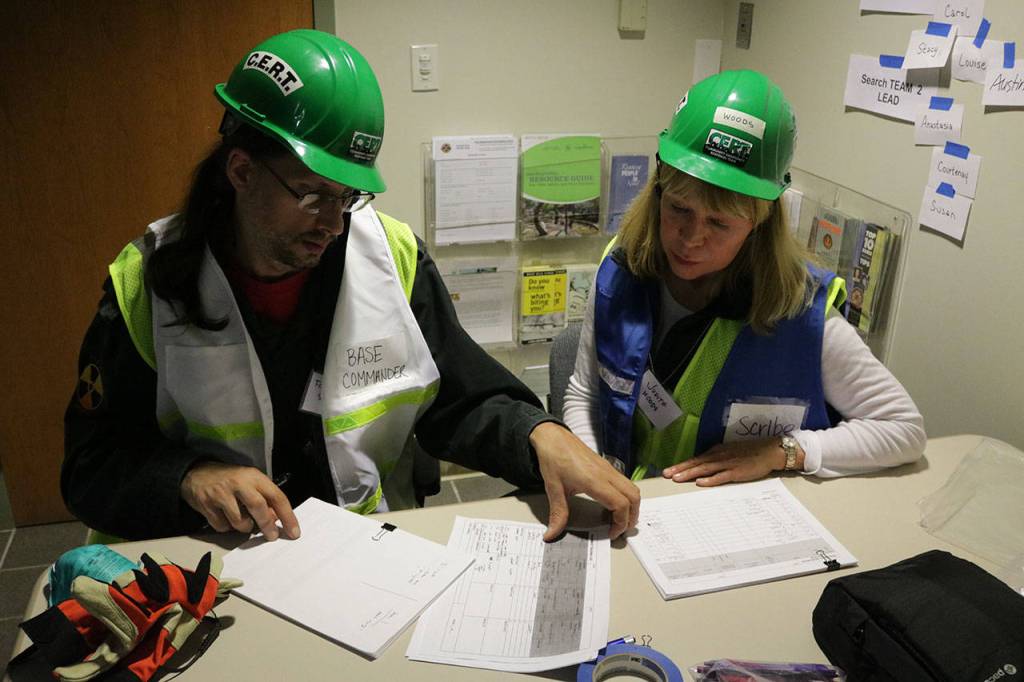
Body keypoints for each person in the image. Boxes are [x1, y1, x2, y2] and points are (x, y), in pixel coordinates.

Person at [62, 29, 638, 543]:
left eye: (348, 196)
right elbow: (92, 467)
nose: (334, 225)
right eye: (313, 194)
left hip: (362, 552)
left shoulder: (392, 257)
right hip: (221, 561)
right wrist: (188, 477)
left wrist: (538, 433)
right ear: (241, 172)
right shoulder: (147, 283)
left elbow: (462, 398)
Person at [562, 70, 925, 486]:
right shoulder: (620, 269)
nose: (691, 238)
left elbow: (904, 429)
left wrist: (783, 451)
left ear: (758, 223)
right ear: (659, 189)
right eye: (679, 208)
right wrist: (596, 475)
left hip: (738, 513)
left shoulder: (803, 312)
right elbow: (584, 394)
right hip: (633, 503)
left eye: (719, 223)